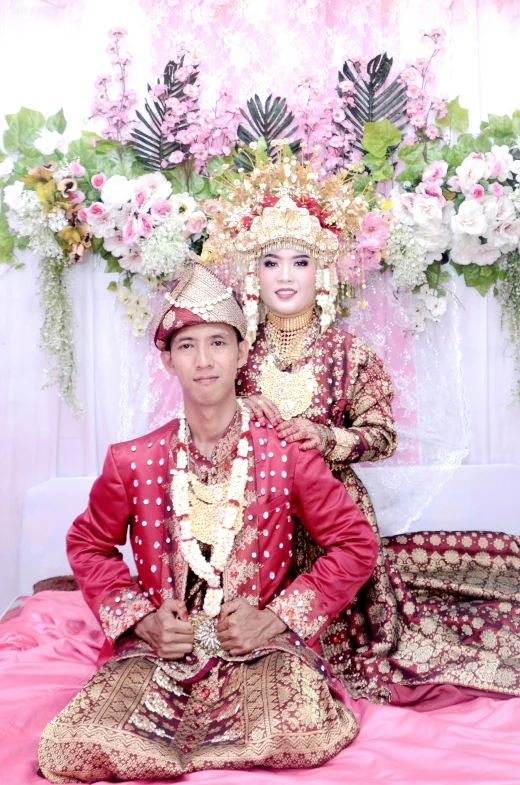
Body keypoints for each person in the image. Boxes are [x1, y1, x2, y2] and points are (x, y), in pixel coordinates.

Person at [38, 263, 378, 783]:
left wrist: (278, 618)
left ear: (242, 353)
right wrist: (141, 620)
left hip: (259, 645)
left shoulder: (284, 452)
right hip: (162, 648)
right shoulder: (134, 460)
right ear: (168, 361)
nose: (204, 360)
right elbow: (88, 543)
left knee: (300, 730)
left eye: (218, 343)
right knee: (72, 747)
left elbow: (355, 543)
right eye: (187, 346)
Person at [202, 155, 520, 704]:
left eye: (299, 262)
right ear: (251, 272)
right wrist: (239, 405)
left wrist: (328, 439)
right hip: (250, 513)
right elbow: (202, 418)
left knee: (348, 647)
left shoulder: (349, 353)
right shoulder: (233, 352)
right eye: (270, 262)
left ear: (322, 271)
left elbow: (383, 434)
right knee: (225, 642)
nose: (284, 276)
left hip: (334, 515)